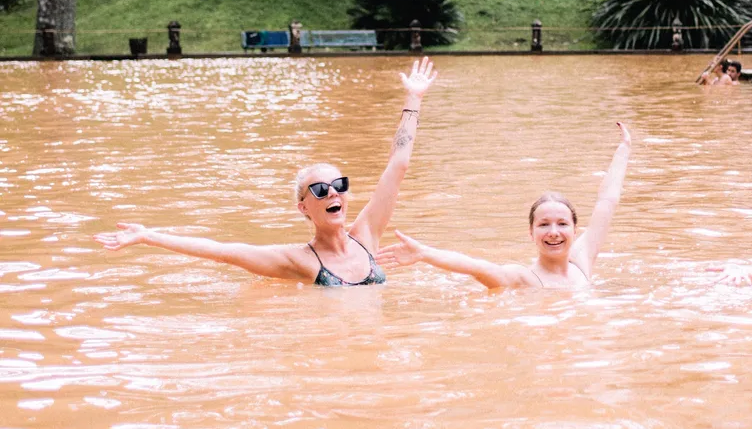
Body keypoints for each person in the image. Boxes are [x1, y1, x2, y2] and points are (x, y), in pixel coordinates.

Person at [95, 58, 439, 284]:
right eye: (320, 190)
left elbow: (400, 163)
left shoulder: (367, 236)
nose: (333, 192)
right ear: (303, 207)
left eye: (338, 184)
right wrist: (147, 235)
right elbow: (223, 251)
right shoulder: (298, 261)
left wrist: (414, 98)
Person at [379, 122, 632, 289]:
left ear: (575, 230)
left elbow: (607, 202)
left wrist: (623, 151)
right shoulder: (522, 278)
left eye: (562, 223)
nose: (553, 232)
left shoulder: (582, 260)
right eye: (544, 224)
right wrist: (424, 253)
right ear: (531, 233)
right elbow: (474, 266)